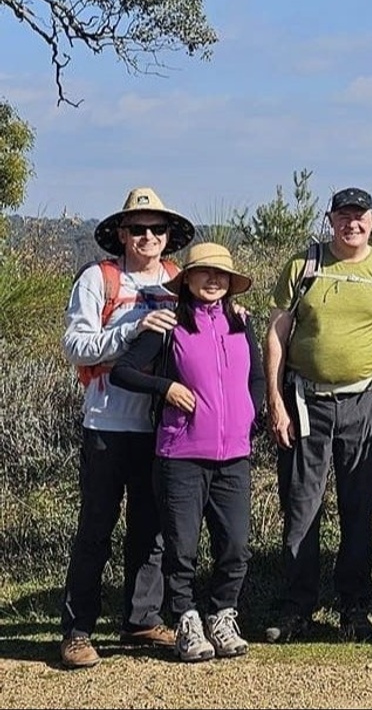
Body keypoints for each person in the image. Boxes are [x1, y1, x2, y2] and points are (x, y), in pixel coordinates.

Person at [263, 187, 372, 643]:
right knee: (301, 507)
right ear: (329, 219)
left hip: (365, 405)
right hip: (305, 402)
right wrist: (274, 400)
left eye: (360, 216)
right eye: (344, 215)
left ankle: (353, 606)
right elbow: (276, 333)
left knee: (359, 508)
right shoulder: (303, 266)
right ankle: (298, 606)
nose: (352, 223)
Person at [58, 187, 193, 668]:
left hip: (161, 426)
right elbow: (76, 345)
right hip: (107, 422)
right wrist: (132, 330)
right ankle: (77, 629)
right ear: (121, 233)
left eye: (158, 229)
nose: (148, 237)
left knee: (151, 528)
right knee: (96, 527)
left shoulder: (179, 280)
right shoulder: (100, 278)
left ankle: (140, 618)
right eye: (138, 228)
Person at [110, 242, 264, 662]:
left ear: (231, 284)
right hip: (180, 454)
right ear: (188, 280)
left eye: (221, 276)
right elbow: (122, 372)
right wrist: (167, 388)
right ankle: (186, 621)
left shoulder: (240, 323)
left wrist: (250, 413)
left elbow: (256, 376)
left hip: (234, 454)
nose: (213, 281)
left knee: (235, 545)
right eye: (204, 274)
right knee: (182, 548)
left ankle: (221, 615)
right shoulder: (168, 326)